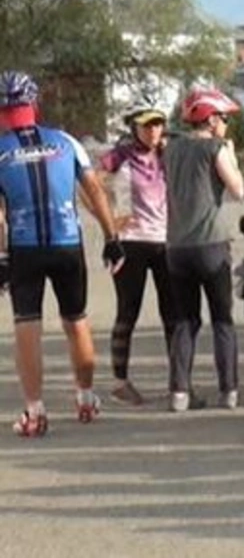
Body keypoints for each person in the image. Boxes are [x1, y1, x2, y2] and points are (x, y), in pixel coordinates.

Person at [0, 71, 125, 436]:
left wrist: (1, 258)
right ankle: (85, 398)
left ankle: (34, 411)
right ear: (33, 105)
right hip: (67, 243)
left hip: (25, 248)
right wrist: (111, 236)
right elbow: (96, 191)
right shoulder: (66, 141)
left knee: (27, 323)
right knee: (76, 319)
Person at [162, 86, 244, 412]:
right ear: (209, 119)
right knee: (222, 319)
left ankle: (179, 392)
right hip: (211, 244)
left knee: (185, 320)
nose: (225, 124)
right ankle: (229, 391)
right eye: (223, 118)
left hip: (177, 246)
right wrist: (231, 155)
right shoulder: (215, 147)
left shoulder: (171, 150)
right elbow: (238, 189)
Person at [96, 101, 174, 406]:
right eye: (147, 125)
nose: (154, 130)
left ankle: (177, 379)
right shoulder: (122, 155)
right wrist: (109, 221)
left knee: (173, 312)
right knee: (128, 310)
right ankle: (119, 381)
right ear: (135, 127)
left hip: (165, 240)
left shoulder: (167, 153)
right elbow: (90, 184)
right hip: (131, 241)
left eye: (158, 124)